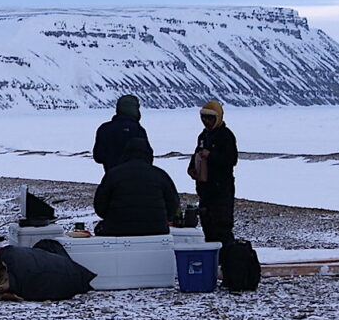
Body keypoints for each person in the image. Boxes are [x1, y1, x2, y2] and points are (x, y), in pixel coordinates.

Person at [93, 138, 179, 236]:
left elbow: (100, 206)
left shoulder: (113, 174)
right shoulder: (160, 174)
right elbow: (173, 204)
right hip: (156, 229)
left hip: (116, 229)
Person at [187, 100, 238, 245]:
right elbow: (196, 154)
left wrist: (211, 155)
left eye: (210, 118)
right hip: (205, 190)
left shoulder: (226, 136)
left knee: (222, 229)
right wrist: (192, 169)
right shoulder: (203, 136)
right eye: (204, 117)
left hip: (221, 190)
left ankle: (228, 262)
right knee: (208, 227)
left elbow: (231, 160)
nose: (206, 121)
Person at [93, 95, 150, 173]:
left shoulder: (104, 129)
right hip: (136, 178)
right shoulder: (138, 130)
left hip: (111, 177)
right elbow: (148, 156)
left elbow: (98, 156)